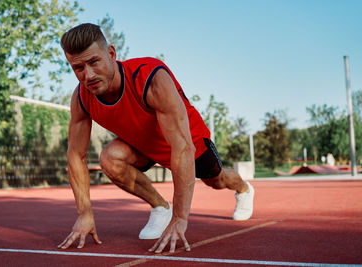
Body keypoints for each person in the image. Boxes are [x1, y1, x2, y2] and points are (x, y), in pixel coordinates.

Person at [57, 23, 254, 253]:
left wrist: (180, 218)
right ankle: (161, 207)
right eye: (78, 67)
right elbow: (76, 155)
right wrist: (84, 213)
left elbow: (182, 147)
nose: (88, 75)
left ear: (111, 54)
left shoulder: (150, 77)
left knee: (217, 181)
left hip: (188, 142)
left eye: (93, 62)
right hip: (143, 145)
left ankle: (244, 189)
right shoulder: (82, 97)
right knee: (110, 159)